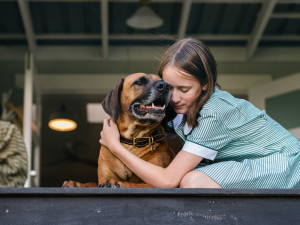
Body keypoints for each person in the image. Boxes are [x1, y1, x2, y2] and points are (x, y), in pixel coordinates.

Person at [99, 37, 300, 189]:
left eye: (184, 90)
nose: (175, 98)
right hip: (256, 163)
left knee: (192, 180)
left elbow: (168, 181)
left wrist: (115, 146)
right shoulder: (184, 108)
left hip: (286, 165)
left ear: (205, 84)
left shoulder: (214, 113)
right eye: (169, 88)